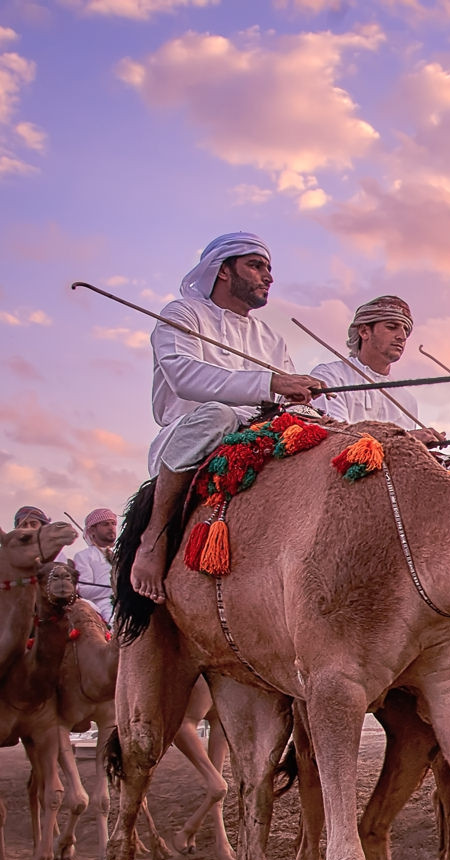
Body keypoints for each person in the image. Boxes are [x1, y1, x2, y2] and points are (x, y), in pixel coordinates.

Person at [130, 231, 323, 602]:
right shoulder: (182, 313)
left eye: (269, 268)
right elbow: (184, 376)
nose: (268, 277)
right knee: (217, 415)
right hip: (193, 435)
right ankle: (153, 538)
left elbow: (283, 394)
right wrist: (272, 382)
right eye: (255, 266)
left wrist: (301, 404)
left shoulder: (271, 338)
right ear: (222, 271)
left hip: (257, 435)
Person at [308, 295, 445, 443]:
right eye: (392, 327)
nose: (402, 336)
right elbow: (335, 440)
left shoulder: (407, 400)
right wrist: (403, 439)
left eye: (406, 330)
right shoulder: (330, 376)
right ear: (364, 331)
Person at [70, 508, 117, 625]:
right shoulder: (83, 556)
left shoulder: (123, 554)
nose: (111, 527)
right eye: (105, 524)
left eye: (113, 523)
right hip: (104, 605)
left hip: (130, 599)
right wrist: (115, 589)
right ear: (92, 531)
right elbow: (84, 590)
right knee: (116, 624)